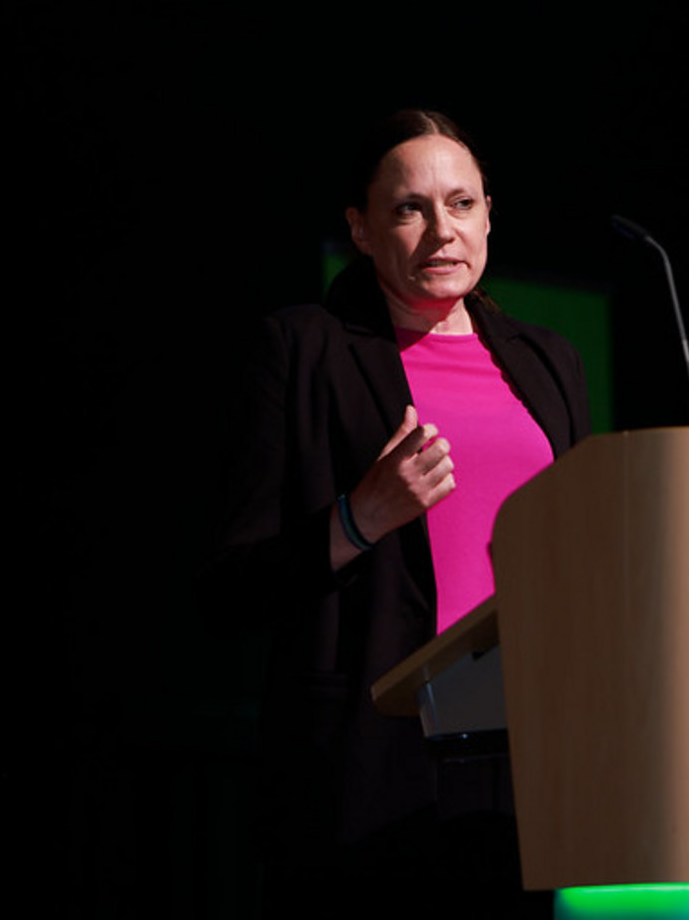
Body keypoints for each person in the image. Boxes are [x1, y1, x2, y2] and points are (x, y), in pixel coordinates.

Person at [200, 109, 589, 916]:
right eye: (410, 208)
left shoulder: (549, 361)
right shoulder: (303, 350)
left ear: (488, 214)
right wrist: (359, 517)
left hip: (527, 758)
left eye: (463, 204)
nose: (442, 230)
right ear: (363, 230)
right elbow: (230, 585)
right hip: (371, 760)